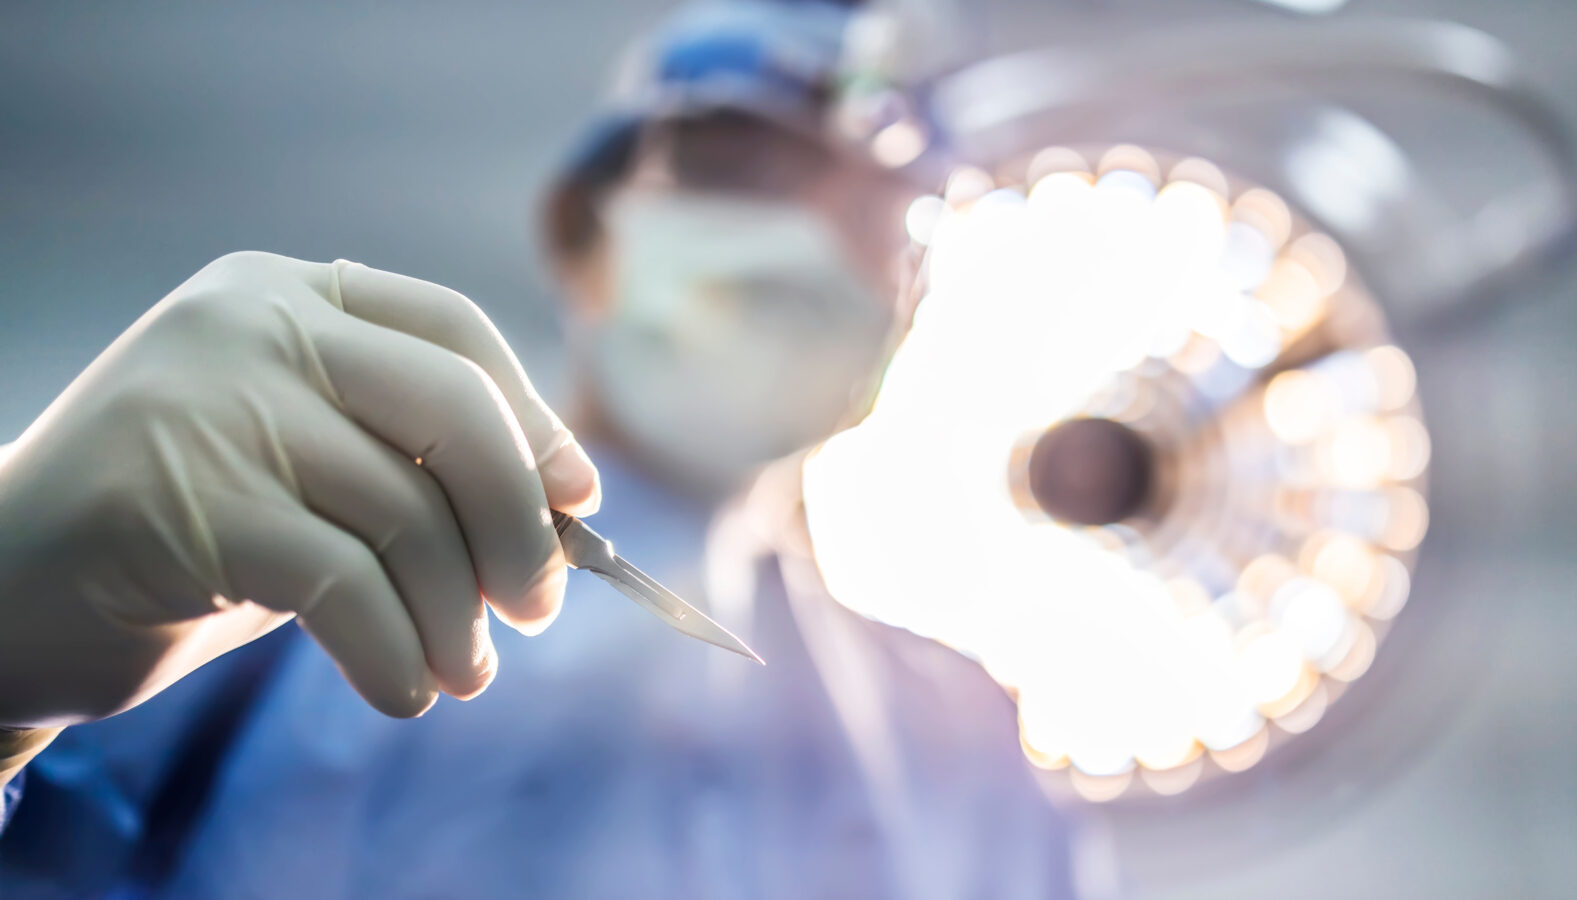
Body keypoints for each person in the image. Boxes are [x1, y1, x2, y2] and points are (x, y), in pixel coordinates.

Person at [0, 2, 1083, 897]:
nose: (802, 236)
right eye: (735, 165)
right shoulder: (249, 592)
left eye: (869, 217)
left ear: (900, 328)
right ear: (582, 232)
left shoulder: (969, 756)